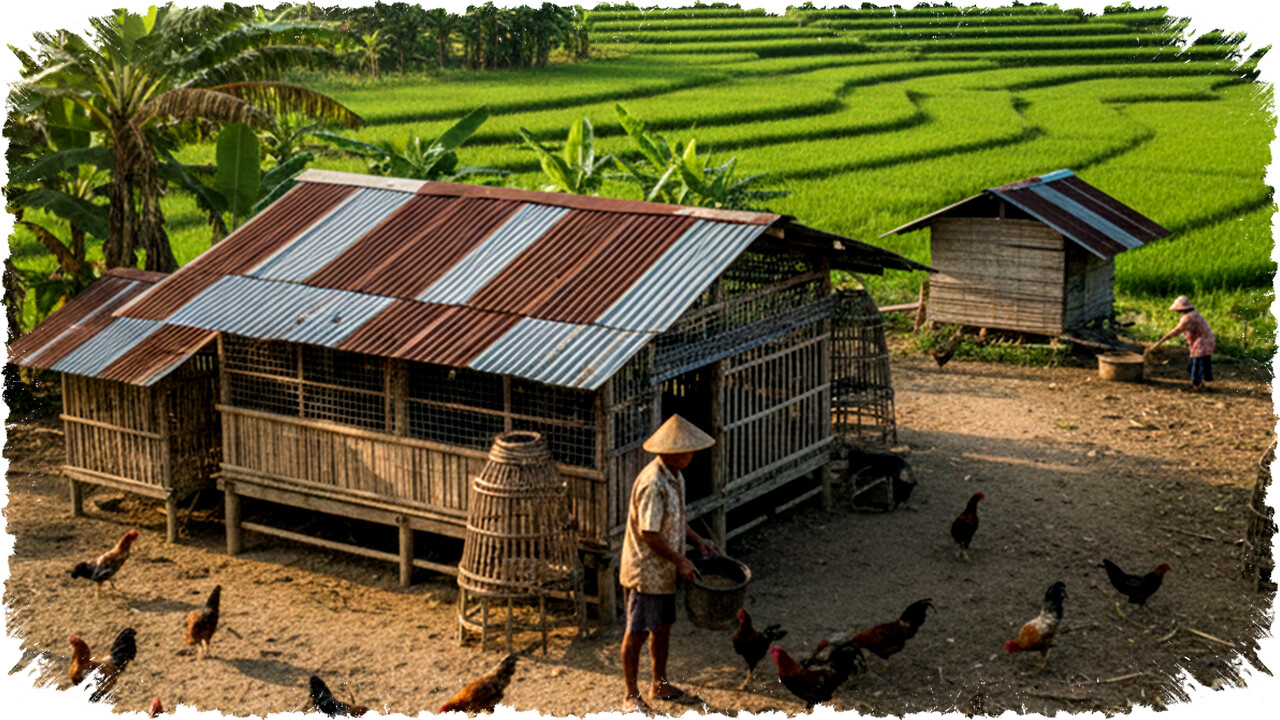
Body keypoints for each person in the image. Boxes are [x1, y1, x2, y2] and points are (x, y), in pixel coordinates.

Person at [619, 414, 719, 714]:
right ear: (670, 453)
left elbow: (675, 521)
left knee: (662, 628)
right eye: (685, 452)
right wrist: (680, 560)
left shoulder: (676, 476)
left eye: (690, 452)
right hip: (645, 572)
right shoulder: (653, 484)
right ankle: (630, 694)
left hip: (664, 571)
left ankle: (659, 684)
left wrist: (698, 541)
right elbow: (649, 534)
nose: (690, 457)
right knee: (637, 632)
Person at [1147, 295, 1216, 390]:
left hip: (1202, 342)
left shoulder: (1188, 318)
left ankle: (1197, 384)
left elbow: (1176, 331)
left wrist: (1162, 340)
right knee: (1201, 362)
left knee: (1197, 363)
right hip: (1206, 340)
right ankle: (1202, 381)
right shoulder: (1193, 314)